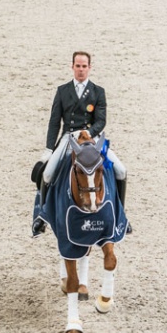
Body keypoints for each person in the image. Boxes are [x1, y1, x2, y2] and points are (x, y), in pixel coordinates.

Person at [32, 51, 131, 235]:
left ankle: (120, 215)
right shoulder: (62, 91)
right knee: (47, 173)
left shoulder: (98, 91)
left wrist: (89, 133)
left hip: (91, 139)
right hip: (69, 138)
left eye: (84, 66)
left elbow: (101, 120)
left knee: (121, 170)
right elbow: (55, 122)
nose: (81, 70)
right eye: (77, 66)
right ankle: (43, 217)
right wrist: (48, 148)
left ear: (89, 68)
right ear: (72, 67)